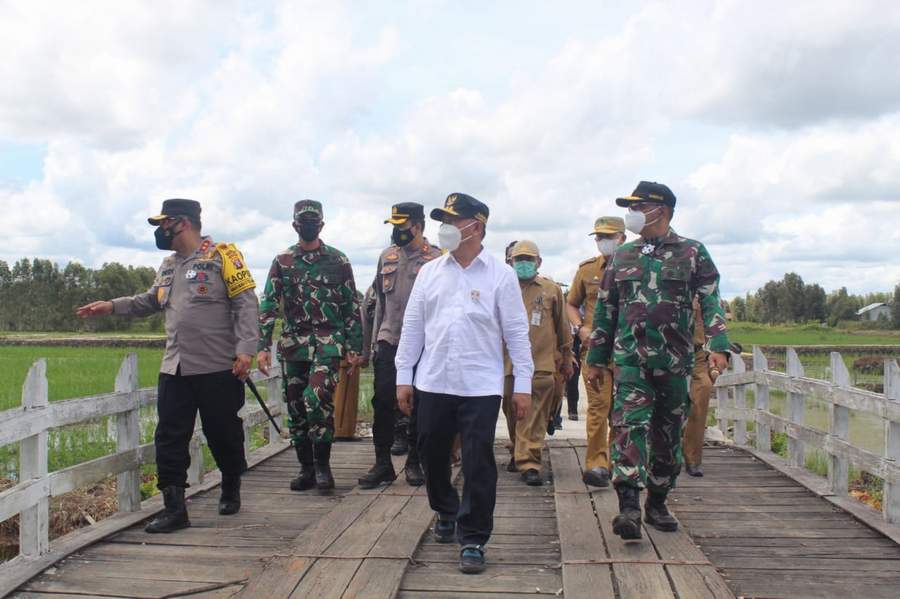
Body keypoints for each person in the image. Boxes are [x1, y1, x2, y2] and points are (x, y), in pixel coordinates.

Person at [76, 199, 258, 532]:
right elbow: (149, 300)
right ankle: (175, 509)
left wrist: (246, 351)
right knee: (169, 438)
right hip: (175, 368)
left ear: (183, 223)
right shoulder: (168, 265)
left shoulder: (224, 256)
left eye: (164, 224)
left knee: (223, 434)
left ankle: (231, 483)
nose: (161, 231)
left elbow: (246, 305)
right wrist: (110, 307)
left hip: (217, 367)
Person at [396, 193, 533, 574]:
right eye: (443, 221)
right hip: (435, 380)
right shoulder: (430, 273)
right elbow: (412, 329)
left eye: (454, 221)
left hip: (480, 385)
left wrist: (522, 384)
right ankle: (445, 509)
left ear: (477, 225)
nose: (446, 229)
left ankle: (472, 537)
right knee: (431, 455)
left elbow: (517, 333)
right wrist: (403, 378)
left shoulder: (500, 275)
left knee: (478, 461)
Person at [585, 181, 730, 541]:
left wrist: (719, 344)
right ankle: (629, 508)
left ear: (661, 210)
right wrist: (596, 360)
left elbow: (711, 301)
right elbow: (606, 309)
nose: (632, 214)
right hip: (631, 362)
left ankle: (658, 501)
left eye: (639, 206)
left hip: (675, 362)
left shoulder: (692, 252)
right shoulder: (621, 256)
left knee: (668, 435)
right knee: (627, 428)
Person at [257, 200, 363, 493]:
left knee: (317, 399)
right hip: (294, 346)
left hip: (328, 345)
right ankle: (305, 468)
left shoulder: (338, 261)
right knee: (296, 407)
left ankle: (323, 468)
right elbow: (268, 303)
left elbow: (351, 305)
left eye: (313, 220)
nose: (308, 225)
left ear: (322, 225)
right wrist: (263, 344)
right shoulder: (283, 261)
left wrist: (354, 346)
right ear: (295, 225)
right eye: (303, 221)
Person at [358, 203, 441, 488]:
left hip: (424, 345)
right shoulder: (387, 257)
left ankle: (415, 461)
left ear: (418, 227)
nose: (396, 233)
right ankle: (382, 463)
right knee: (382, 401)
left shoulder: (437, 260)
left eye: (402, 227)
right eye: (393, 226)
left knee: (418, 404)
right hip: (389, 339)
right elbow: (377, 303)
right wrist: (370, 345)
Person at [503, 241, 572, 486]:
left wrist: (566, 357)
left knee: (535, 416)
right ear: (509, 262)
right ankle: (518, 450)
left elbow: (563, 327)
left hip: (542, 363)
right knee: (513, 413)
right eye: (518, 259)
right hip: (507, 364)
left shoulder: (550, 290)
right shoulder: (501, 287)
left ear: (539, 262)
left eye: (529, 259)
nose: (523, 263)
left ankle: (529, 461)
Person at [565, 216, 626, 487]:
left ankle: (619, 461)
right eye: (599, 237)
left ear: (622, 238)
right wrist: (579, 327)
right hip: (596, 353)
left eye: (609, 236)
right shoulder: (587, 270)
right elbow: (571, 304)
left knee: (624, 410)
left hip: (628, 353)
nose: (603, 241)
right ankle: (597, 464)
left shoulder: (637, 268)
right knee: (599, 408)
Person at [683, 297, 714, 477]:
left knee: (704, 388)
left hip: (696, 355)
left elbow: (715, 322)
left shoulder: (701, 292)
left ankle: (693, 459)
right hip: (665, 353)